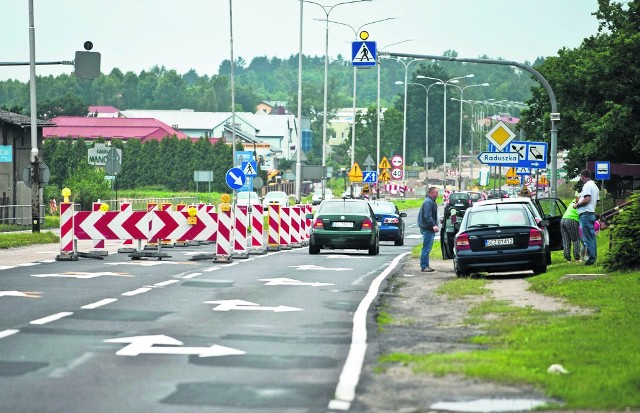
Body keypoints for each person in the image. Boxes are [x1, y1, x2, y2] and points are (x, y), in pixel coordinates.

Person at [574, 169, 599, 265]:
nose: (581, 179)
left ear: (583, 176)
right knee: (591, 237)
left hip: (586, 214)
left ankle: (591, 259)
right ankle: (593, 257)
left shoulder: (587, 185)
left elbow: (587, 199)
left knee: (588, 238)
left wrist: (578, 205)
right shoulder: (595, 186)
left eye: (581, 177)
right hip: (591, 213)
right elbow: (597, 201)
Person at [417, 186, 439, 272]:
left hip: (428, 228)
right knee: (426, 248)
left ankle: (426, 265)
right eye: (436, 192)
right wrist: (433, 225)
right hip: (428, 228)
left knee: (427, 247)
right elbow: (427, 216)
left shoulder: (431, 201)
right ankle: (424, 266)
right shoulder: (428, 202)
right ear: (431, 193)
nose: (437, 194)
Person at [560, 198, 581, 263]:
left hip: (563, 220)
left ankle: (567, 259)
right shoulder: (580, 204)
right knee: (576, 239)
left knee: (566, 240)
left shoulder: (572, 203)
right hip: (572, 220)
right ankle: (577, 258)